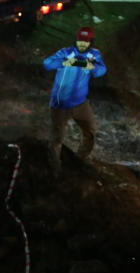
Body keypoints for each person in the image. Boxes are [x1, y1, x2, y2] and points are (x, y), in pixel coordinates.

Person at [42, 26, 107, 171]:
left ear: (91, 42)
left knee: (90, 132)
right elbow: (46, 64)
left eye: (86, 42)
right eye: (80, 41)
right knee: (57, 138)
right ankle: (55, 168)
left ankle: (79, 159)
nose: (82, 44)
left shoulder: (94, 54)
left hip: (80, 103)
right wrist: (64, 62)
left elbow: (101, 71)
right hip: (60, 104)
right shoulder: (65, 52)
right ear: (76, 40)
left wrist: (92, 66)